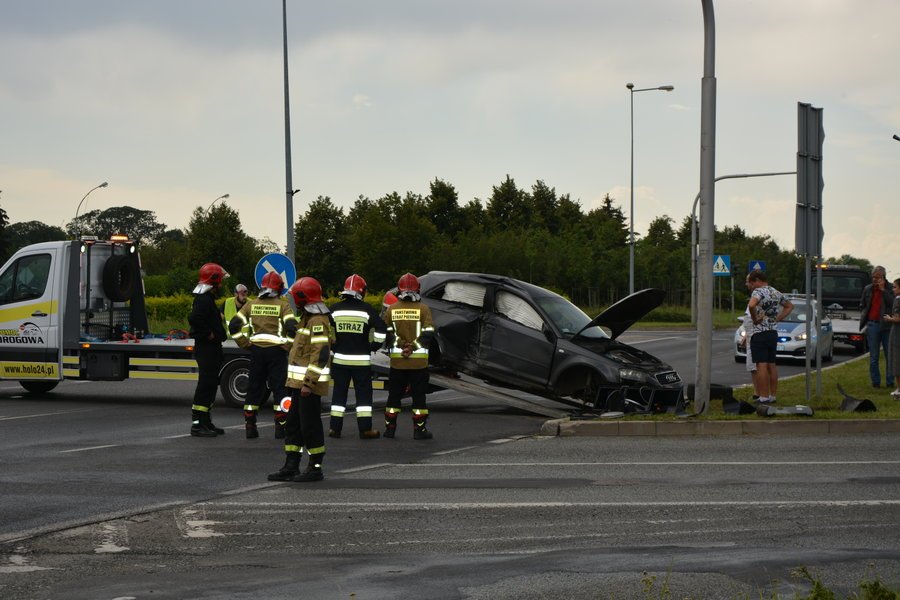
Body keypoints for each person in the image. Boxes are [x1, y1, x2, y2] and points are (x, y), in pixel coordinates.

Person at [268, 277, 333, 483]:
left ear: (303, 297)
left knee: (310, 426)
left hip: (308, 386)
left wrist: (309, 383)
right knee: (293, 425)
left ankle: (315, 467)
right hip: (297, 384)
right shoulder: (306, 318)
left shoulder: (318, 321)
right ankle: (291, 465)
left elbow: (320, 354)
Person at [229, 272, 297, 438]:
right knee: (279, 390)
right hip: (277, 353)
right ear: (278, 288)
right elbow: (292, 328)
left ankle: (250, 426)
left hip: (257, 352)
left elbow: (233, 326)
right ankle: (281, 428)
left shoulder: (251, 305)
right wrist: (287, 346)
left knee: (253, 390)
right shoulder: (283, 305)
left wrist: (245, 344)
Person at [327, 274, 387, 439]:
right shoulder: (367, 309)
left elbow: (321, 325)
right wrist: (373, 346)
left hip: (340, 360)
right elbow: (382, 328)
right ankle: (365, 429)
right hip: (361, 361)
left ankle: (334, 429)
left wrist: (332, 344)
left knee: (339, 395)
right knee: (363, 397)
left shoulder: (335, 309)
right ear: (363, 291)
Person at [382, 273, 435, 439]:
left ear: (399, 290)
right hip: (418, 365)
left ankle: (390, 429)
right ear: (418, 289)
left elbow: (388, 333)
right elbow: (429, 333)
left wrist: (401, 345)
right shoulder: (424, 309)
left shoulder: (392, 309)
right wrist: (412, 347)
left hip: (397, 363)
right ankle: (419, 430)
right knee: (419, 398)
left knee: (394, 397)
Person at [187, 263, 229, 437]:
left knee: (211, 386)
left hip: (211, 349)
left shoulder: (206, 297)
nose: (222, 284)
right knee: (205, 386)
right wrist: (208, 334)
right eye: (220, 280)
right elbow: (194, 318)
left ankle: (206, 421)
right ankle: (197, 425)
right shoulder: (204, 299)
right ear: (215, 280)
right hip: (207, 349)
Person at [746, 270, 793, 405]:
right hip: (773, 332)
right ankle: (772, 395)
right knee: (772, 365)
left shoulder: (758, 292)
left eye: (751, 282)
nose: (751, 286)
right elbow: (790, 306)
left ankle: (763, 397)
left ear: (757, 280)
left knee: (761, 365)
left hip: (760, 332)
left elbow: (751, 305)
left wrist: (754, 318)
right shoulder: (776, 292)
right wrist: (778, 318)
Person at [859, 266, 895, 389]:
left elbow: (893, 303)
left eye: (877, 277)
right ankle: (876, 382)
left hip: (887, 326)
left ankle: (890, 382)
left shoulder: (891, 288)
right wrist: (865, 315)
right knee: (873, 356)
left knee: (888, 355)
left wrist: (883, 290)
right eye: (873, 277)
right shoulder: (868, 289)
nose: (875, 280)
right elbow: (862, 304)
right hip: (872, 324)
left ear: (883, 277)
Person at [885, 278, 900, 399]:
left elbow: (898, 318)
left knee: (896, 360)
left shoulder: (898, 300)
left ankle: (899, 389)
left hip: (897, 333)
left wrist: (889, 318)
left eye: (895, 287)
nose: (893, 289)